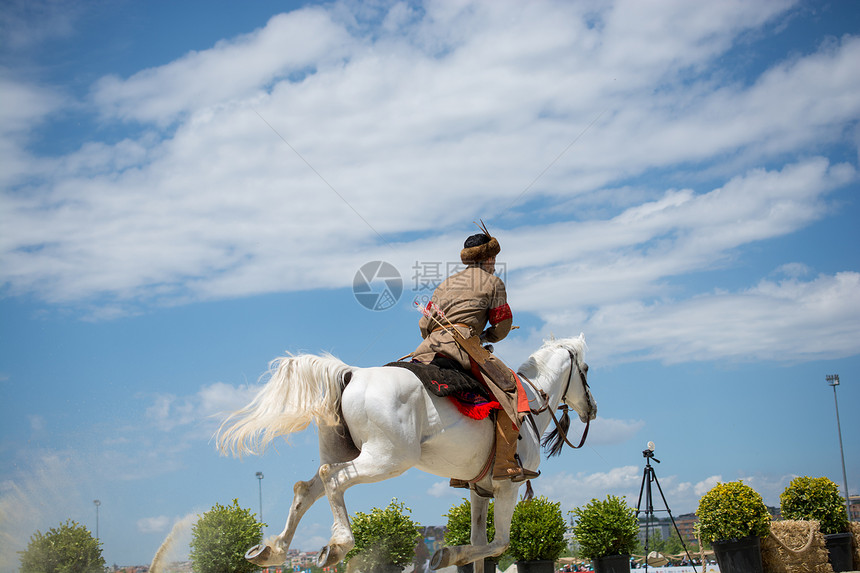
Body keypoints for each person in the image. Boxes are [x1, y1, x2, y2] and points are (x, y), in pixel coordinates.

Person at [412, 228, 538, 484]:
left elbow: (424, 325)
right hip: (463, 347)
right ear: (489, 259)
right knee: (512, 390)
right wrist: (488, 337)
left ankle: (461, 472)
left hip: (427, 351)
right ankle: (504, 463)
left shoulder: (444, 284)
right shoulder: (493, 282)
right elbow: (503, 323)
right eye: (493, 259)